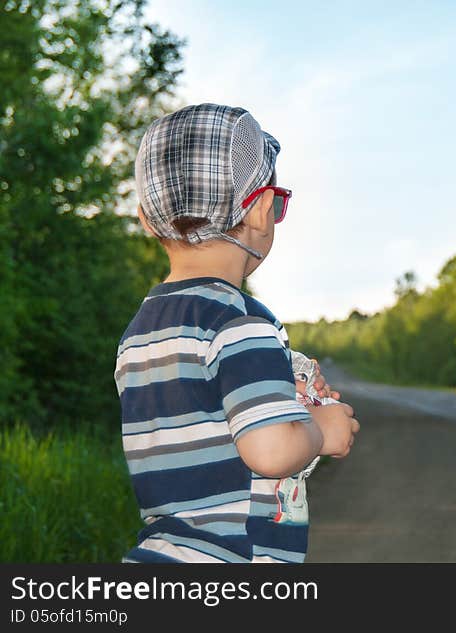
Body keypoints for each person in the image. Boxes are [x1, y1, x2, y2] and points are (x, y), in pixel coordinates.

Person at [113, 103, 359, 563]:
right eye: (277, 203)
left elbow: (208, 431)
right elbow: (269, 451)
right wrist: (320, 432)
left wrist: (288, 402)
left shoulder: (140, 332)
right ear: (263, 210)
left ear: (146, 219)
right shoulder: (242, 323)